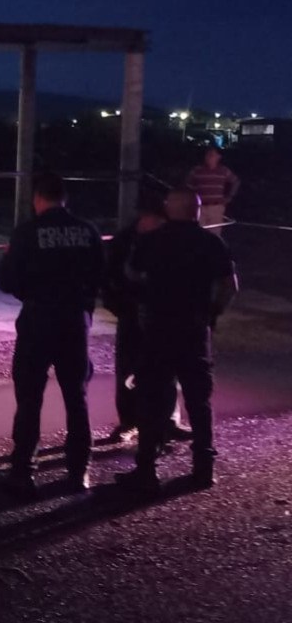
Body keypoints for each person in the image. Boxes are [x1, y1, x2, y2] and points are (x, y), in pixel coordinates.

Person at [116, 188, 238, 493]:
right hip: (195, 331)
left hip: (158, 330)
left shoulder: (152, 241)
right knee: (199, 400)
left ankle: (147, 470)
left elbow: (131, 273)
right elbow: (229, 285)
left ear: (170, 209)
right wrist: (211, 314)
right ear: (196, 212)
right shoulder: (212, 243)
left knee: (152, 399)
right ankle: (203, 468)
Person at [0, 172, 104, 497]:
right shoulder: (87, 231)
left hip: (37, 321)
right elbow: (102, 274)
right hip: (74, 323)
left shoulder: (28, 232)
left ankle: (24, 471)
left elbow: (6, 279)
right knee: (77, 398)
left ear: (38, 199)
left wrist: (29, 291)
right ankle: (79, 471)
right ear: (65, 199)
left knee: (29, 398)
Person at [103, 191, 193, 444]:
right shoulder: (127, 241)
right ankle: (131, 421)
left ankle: (167, 421)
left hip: (160, 315)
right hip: (134, 313)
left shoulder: (160, 240)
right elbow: (112, 276)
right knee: (130, 368)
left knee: (165, 370)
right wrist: (119, 305)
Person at [185, 146, 240, 236]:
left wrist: (229, 197)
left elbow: (235, 181)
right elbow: (187, 186)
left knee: (215, 235)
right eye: (208, 155)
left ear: (218, 157)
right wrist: (192, 200)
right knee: (199, 234)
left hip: (216, 207)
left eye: (212, 155)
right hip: (200, 208)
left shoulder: (224, 170)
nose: (209, 157)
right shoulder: (197, 170)